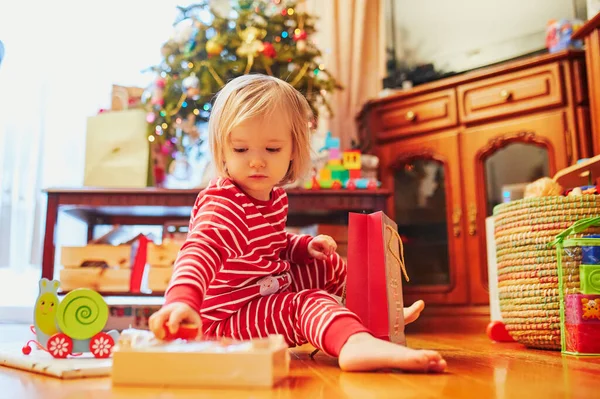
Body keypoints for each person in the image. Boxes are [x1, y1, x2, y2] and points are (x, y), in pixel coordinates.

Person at [148, 74, 447, 373]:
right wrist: (181, 301)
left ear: (293, 150)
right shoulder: (223, 204)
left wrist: (302, 246)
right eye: (241, 150)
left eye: (272, 149)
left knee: (327, 263)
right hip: (225, 321)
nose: (256, 161)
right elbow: (200, 250)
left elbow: (267, 242)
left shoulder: (274, 197)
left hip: (262, 289)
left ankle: (377, 315)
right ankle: (354, 344)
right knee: (303, 304)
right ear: (223, 149)